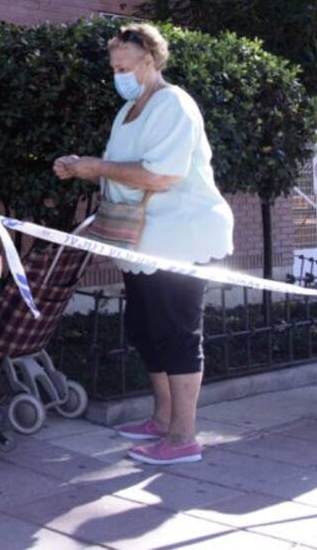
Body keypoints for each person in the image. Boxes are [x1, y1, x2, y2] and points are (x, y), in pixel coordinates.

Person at [53, 24, 232, 466]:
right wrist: (86, 167)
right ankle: (162, 420)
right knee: (145, 329)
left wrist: (93, 167)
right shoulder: (129, 110)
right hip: (143, 237)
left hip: (182, 235)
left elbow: (161, 175)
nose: (118, 75)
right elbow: (124, 169)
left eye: (125, 66)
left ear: (151, 61)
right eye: (114, 67)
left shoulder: (174, 103)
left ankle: (184, 438)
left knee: (177, 332)